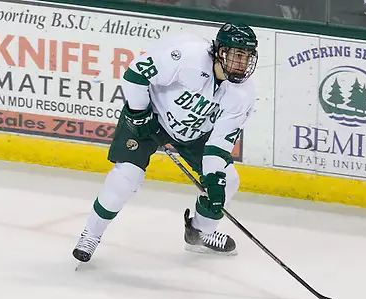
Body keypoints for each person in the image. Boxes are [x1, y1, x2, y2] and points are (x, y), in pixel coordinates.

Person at [72, 22, 258, 263]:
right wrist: (139, 114)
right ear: (221, 52)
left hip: (193, 133)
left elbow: (219, 144)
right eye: (238, 55)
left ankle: (199, 233)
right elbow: (136, 73)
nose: (242, 64)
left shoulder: (243, 94)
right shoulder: (188, 56)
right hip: (150, 116)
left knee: (228, 180)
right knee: (125, 178)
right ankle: (91, 235)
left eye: (247, 57)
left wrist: (213, 181)